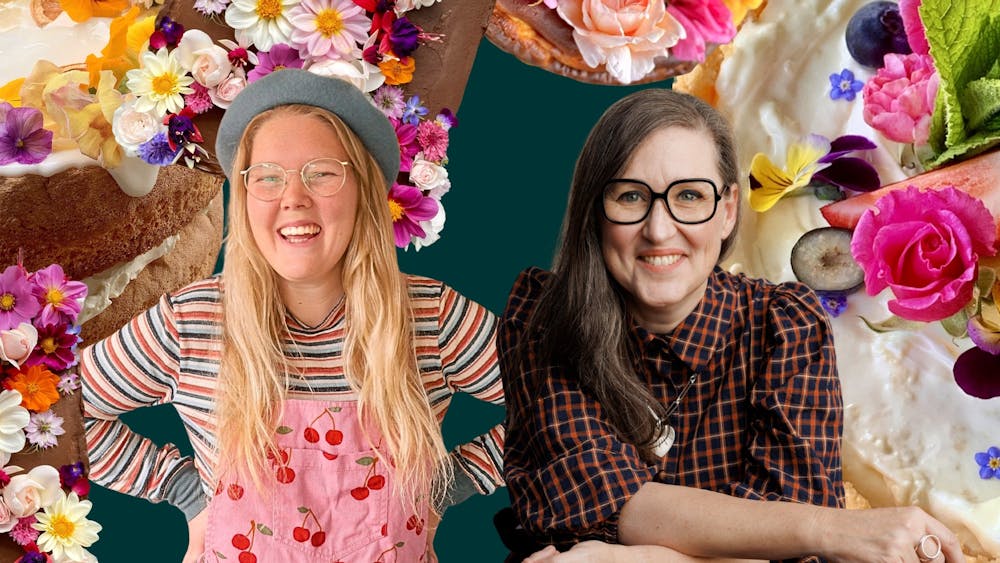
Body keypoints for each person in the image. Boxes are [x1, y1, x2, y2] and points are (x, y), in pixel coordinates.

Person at [496, 88, 964, 562]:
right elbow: (603, 500)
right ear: (595, 210)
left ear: (727, 211)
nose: (659, 230)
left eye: (690, 196)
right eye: (631, 196)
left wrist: (610, 558)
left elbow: (788, 551)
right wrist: (830, 529)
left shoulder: (785, 327)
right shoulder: (543, 317)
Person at [80, 69, 505, 562]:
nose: (293, 198)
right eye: (267, 177)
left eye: (322, 172)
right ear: (243, 198)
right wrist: (184, 492)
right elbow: (60, 413)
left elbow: (569, 404)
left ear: (364, 191)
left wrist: (446, 488)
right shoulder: (191, 322)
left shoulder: (430, 318)